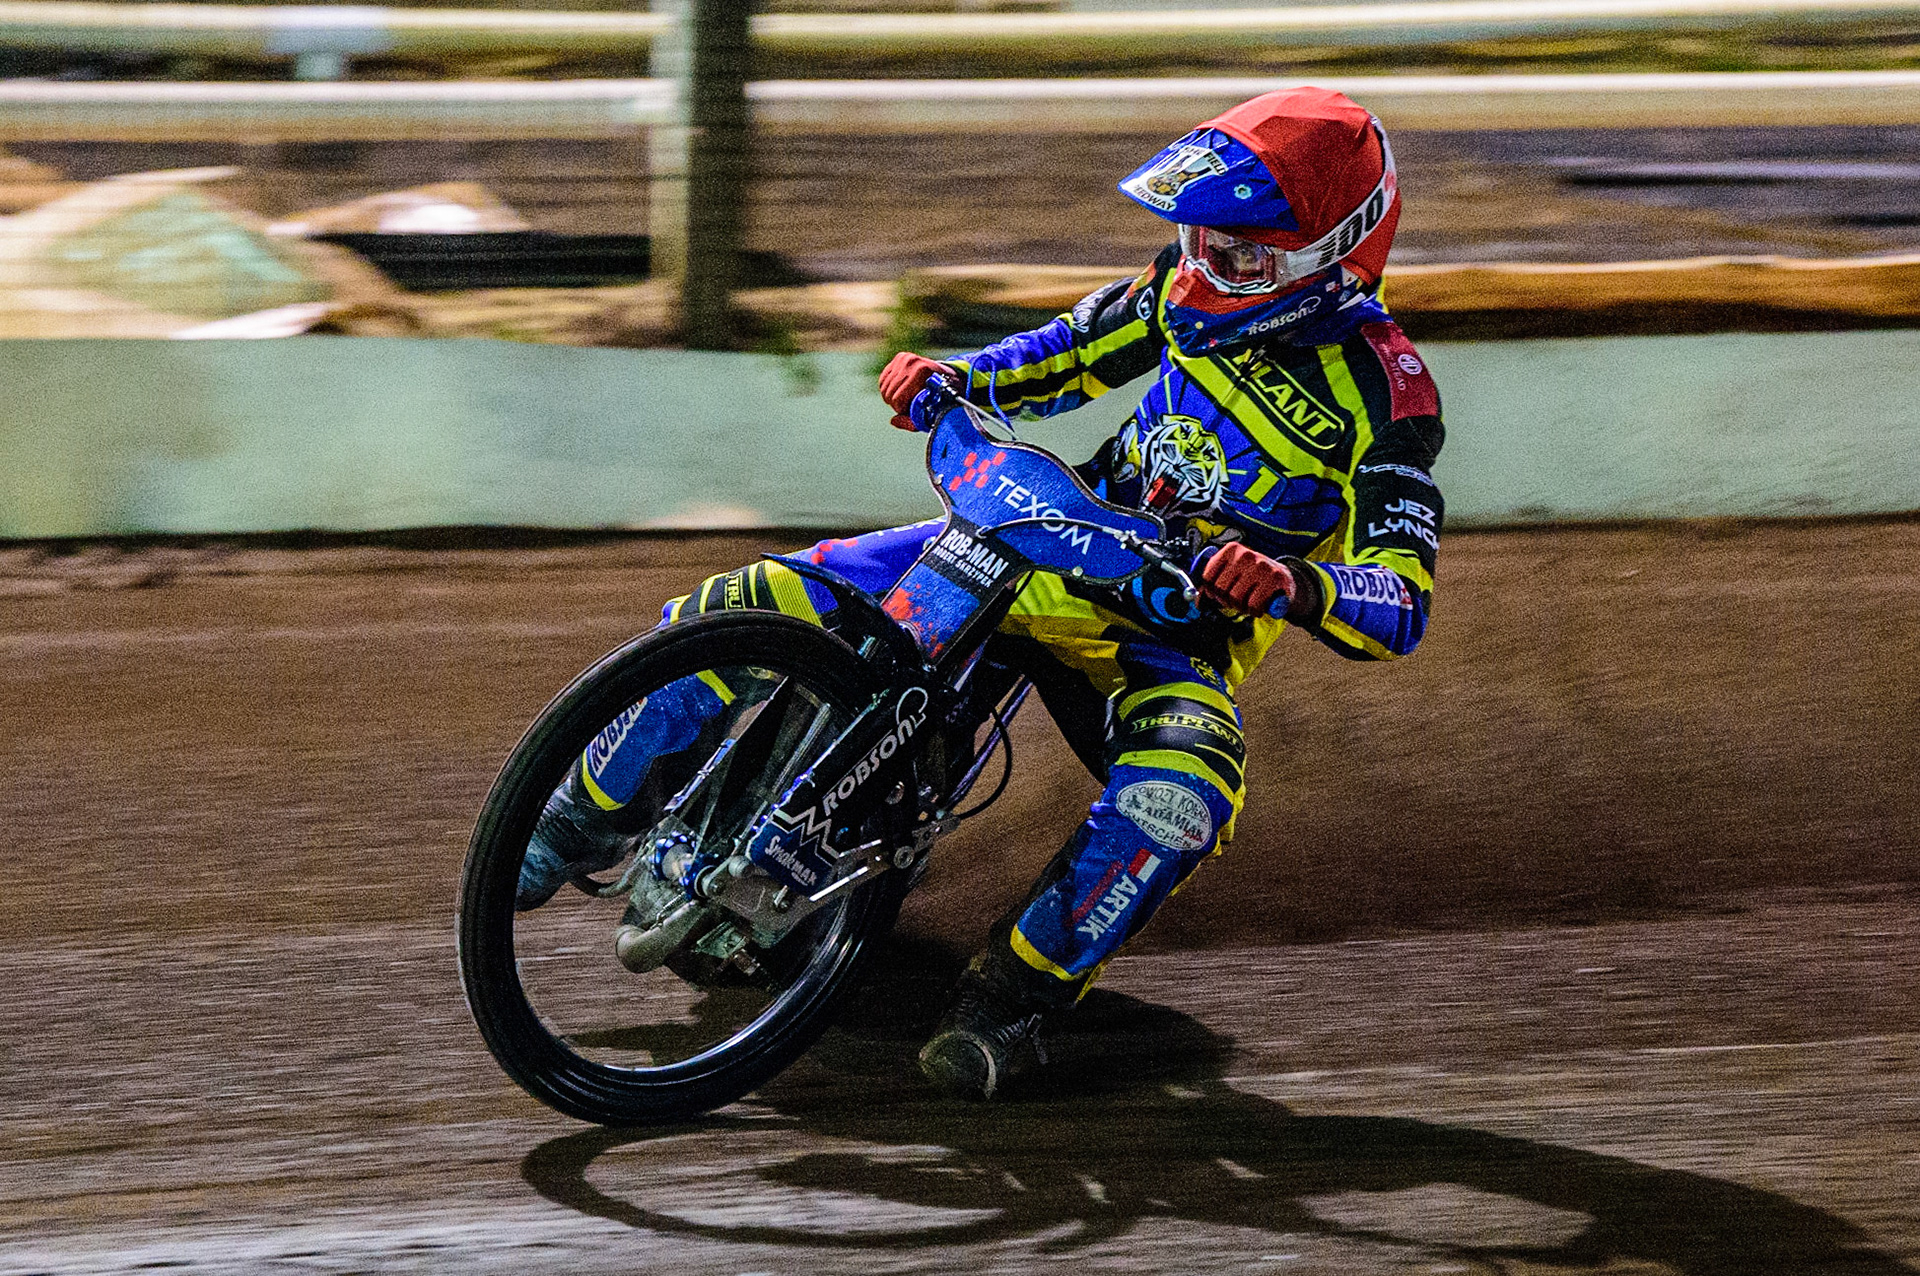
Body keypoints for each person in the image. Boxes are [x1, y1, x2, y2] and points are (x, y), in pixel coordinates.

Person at [517, 86, 1444, 1101]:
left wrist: (1298, 585)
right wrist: (959, 380)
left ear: (1332, 254)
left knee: (1184, 792)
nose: (1202, 267)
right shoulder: (1181, 290)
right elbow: (1067, 353)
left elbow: (1399, 598)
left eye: (1237, 253)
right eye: (1197, 238)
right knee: (750, 600)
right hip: (1047, 531)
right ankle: (571, 820)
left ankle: (1012, 1001)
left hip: (1167, 635)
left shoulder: (1390, 396)